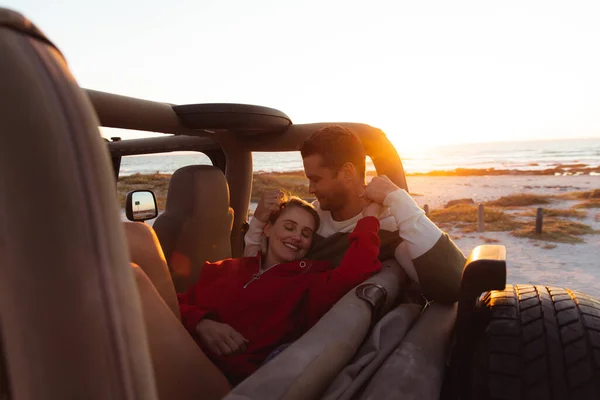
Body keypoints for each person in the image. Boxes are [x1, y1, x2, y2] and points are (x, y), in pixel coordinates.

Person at [245, 125, 467, 305]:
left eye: (316, 179)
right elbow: (253, 269)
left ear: (348, 173)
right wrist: (259, 220)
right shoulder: (309, 220)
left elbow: (454, 284)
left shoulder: (388, 228)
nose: (310, 189)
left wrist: (397, 198)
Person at [177, 195, 384, 385]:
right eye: (289, 227)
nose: (297, 237)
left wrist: (369, 217)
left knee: (142, 243)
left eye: (306, 234)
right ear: (268, 229)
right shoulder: (226, 268)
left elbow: (357, 267)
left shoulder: (308, 282)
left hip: (222, 378)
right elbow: (174, 304)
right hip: (180, 350)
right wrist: (202, 323)